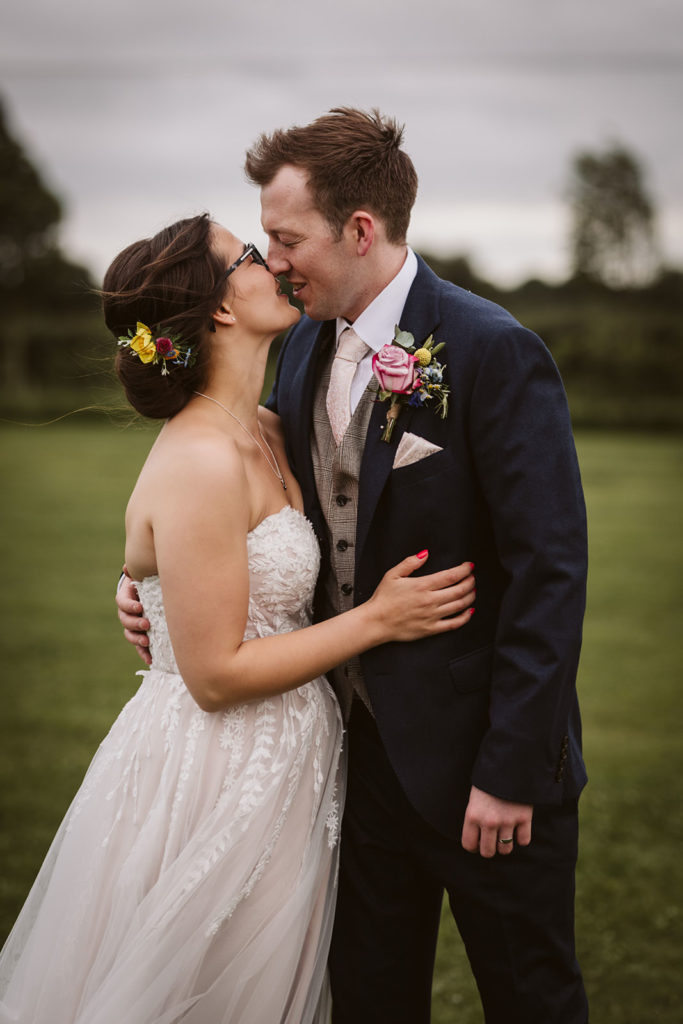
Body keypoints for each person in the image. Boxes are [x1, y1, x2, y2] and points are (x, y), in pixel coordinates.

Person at [119, 108, 590, 1024]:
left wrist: (508, 772)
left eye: (285, 239)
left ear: (360, 230)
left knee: (530, 996)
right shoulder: (296, 348)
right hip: (344, 764)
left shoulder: (491, 349)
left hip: (480, 767)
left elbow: (551, 572)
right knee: (369, 1001)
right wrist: (149, 586)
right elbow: (238, 505)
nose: (276, 258)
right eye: (262, 243)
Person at [0, 213, 477, 1024]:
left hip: (294, 762)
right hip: (215, 772)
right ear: (220, 307)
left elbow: (230, 567)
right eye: (253, 256)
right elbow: (215, 675)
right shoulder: (198, 458)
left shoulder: (265, 427)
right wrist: (377, 620)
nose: (278, 265)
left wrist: (137, 581)